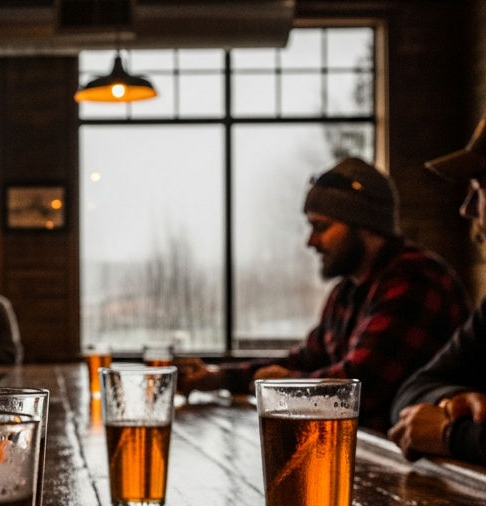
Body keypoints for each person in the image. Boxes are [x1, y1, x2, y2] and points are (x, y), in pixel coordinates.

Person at [178, 157, 470, 432]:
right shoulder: (348, 291)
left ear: (365, 226)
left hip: (430, 473)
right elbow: (306, 358)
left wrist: (282, 384)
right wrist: (217, 377)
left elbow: (357, 387)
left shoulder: (414, 281)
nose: (311, 241)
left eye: (321, 227)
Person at [389, 117, 486, 463]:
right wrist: (454, 400)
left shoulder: (412, 277)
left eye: (480, 188)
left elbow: (360, 387)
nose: (467, 209)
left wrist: (450, 434)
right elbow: (411, 392)